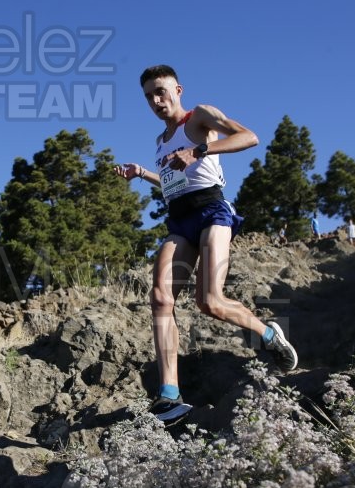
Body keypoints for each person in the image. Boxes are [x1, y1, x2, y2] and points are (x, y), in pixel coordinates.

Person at [114, 64, 298, 422]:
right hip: (180, 219)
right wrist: (144, 174)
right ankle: (169, 395)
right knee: (160, 298)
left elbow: (249, 137)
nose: (155, 100)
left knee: (209, 301)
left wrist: (198, 151)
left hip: (212, 211)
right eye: (149, 95)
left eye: (161, 91)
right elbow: (174, 183)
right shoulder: (160, 143)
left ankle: (268, 335)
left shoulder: (200, 117)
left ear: (178, 90)